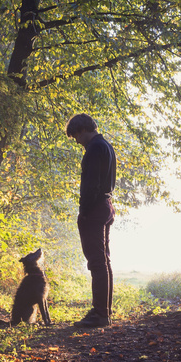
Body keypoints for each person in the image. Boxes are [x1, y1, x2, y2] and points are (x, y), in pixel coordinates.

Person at [66, 113, 116, 328]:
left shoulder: (95, 148)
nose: (76, 141)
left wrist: (84, 210)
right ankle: (103, 311)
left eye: (75, 136)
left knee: (97, 262)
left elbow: (91, 184)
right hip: (105, 206)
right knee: (103, 261)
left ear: (82, 130)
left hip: (95, 208)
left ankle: (100, 315)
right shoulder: (106, 146)